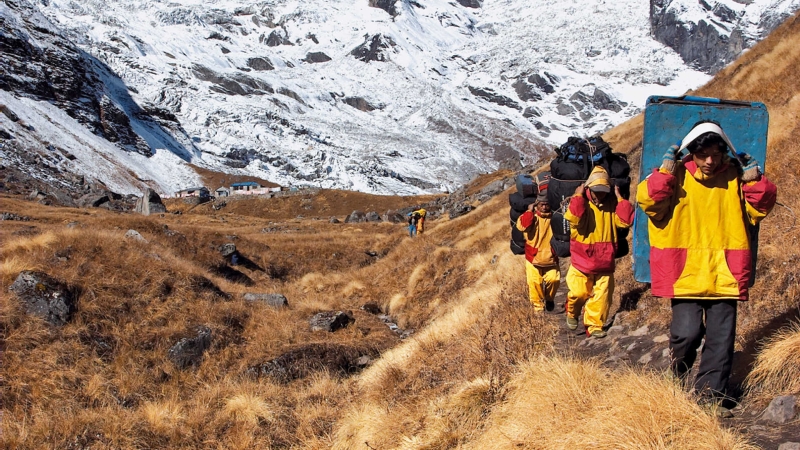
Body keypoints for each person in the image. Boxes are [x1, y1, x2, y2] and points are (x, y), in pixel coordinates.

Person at [636, 121, 777, 416]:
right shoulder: (673, 176)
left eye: (715, 153)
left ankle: (709, 396)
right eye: (703, 155)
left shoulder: (736, 177)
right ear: (691, 153)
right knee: (685, 334)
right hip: (685, 271)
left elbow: (758, 209)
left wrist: (754, 181)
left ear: (723, 151)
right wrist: (664, 173)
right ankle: (678, 372)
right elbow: (649, 202)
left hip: (724, 271)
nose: (710, 161)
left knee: (721, 337)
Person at [564, 166, 634, 338]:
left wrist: (620, 199)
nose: (600, 194)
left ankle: (594, 325)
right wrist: (578, 196)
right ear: (588, 188)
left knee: (602, 297)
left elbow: (625, 222)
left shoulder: (612, 203)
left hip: (604, 260)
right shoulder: (580, 202)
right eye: (596, 190)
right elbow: (574, 218)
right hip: (581, 261)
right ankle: (572, 311)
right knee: (578, 293)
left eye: (604, 191)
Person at [515, 190, 560, 312]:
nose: (544, 207)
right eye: (542, 204)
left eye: (547, 204)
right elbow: (522, 226)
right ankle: (538, 310)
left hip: (551, 258)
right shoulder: (530, 217)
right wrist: (529, 211)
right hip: (533, 257)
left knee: (554, 280)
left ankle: (549, 299)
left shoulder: (556, 217)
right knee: (535, 283)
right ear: (537, 205)